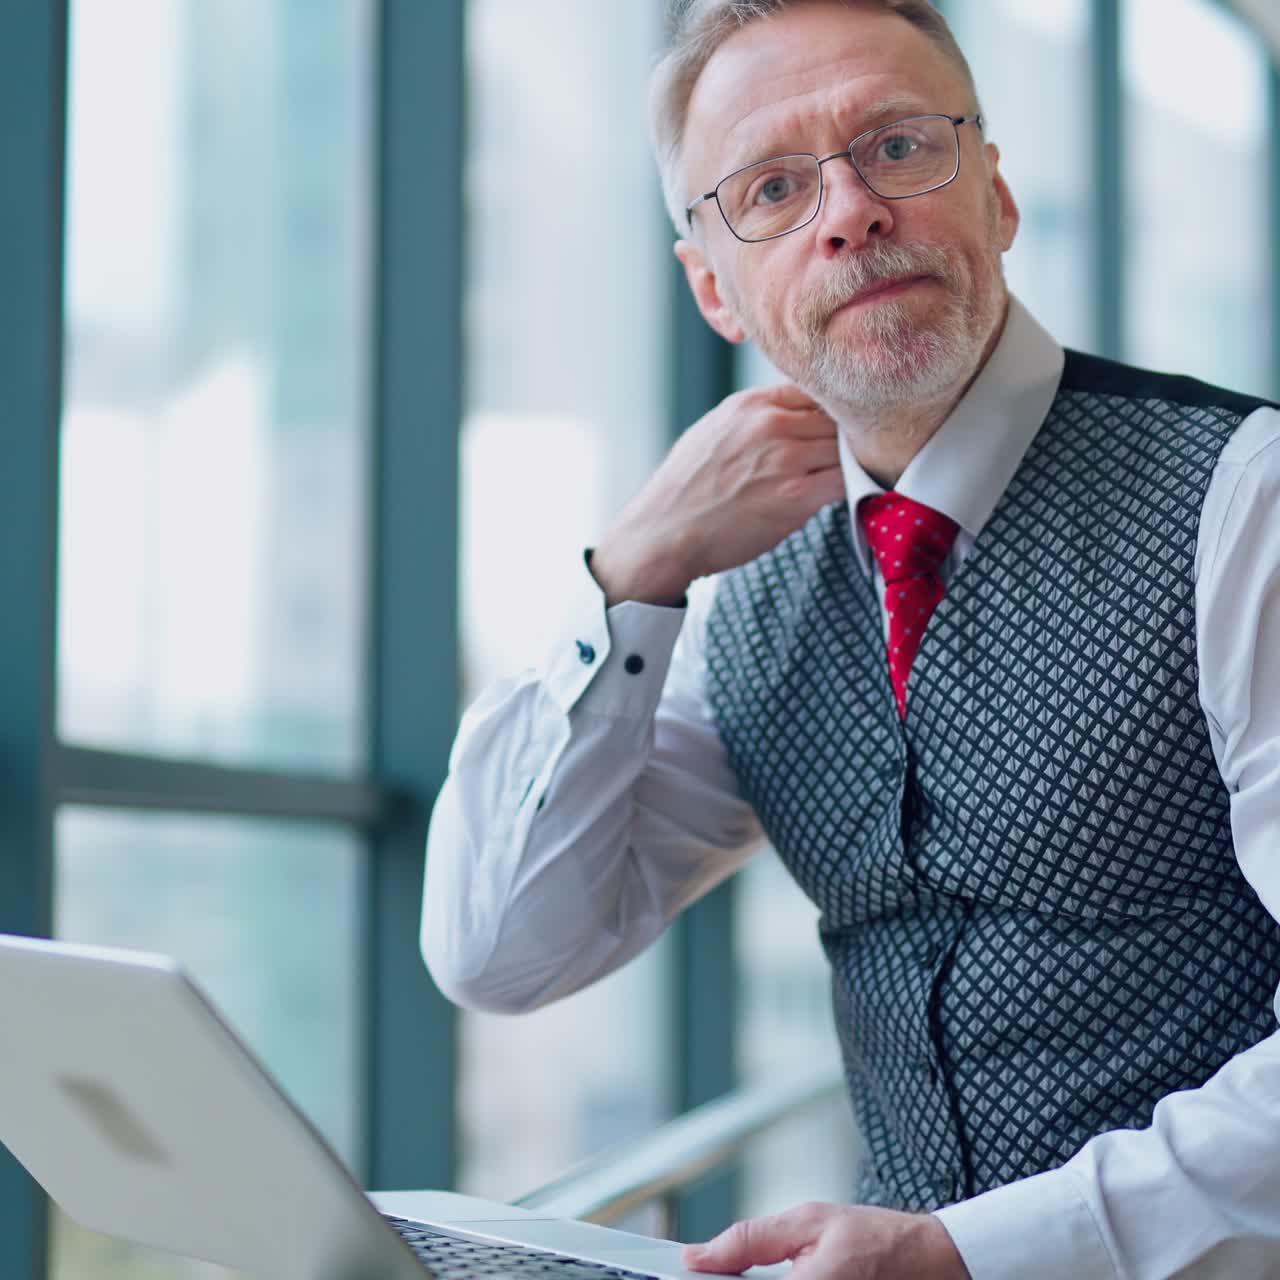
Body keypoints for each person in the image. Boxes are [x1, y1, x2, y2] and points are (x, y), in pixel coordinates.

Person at [422, 0, 1280, 1275]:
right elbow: (501, 950)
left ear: (992, 196)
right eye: (772, 186)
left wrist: (972, 1250)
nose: (848, 213)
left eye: (894, 149)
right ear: (713, 284)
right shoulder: (742, 588)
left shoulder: (1239, 498)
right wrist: (628, 573)